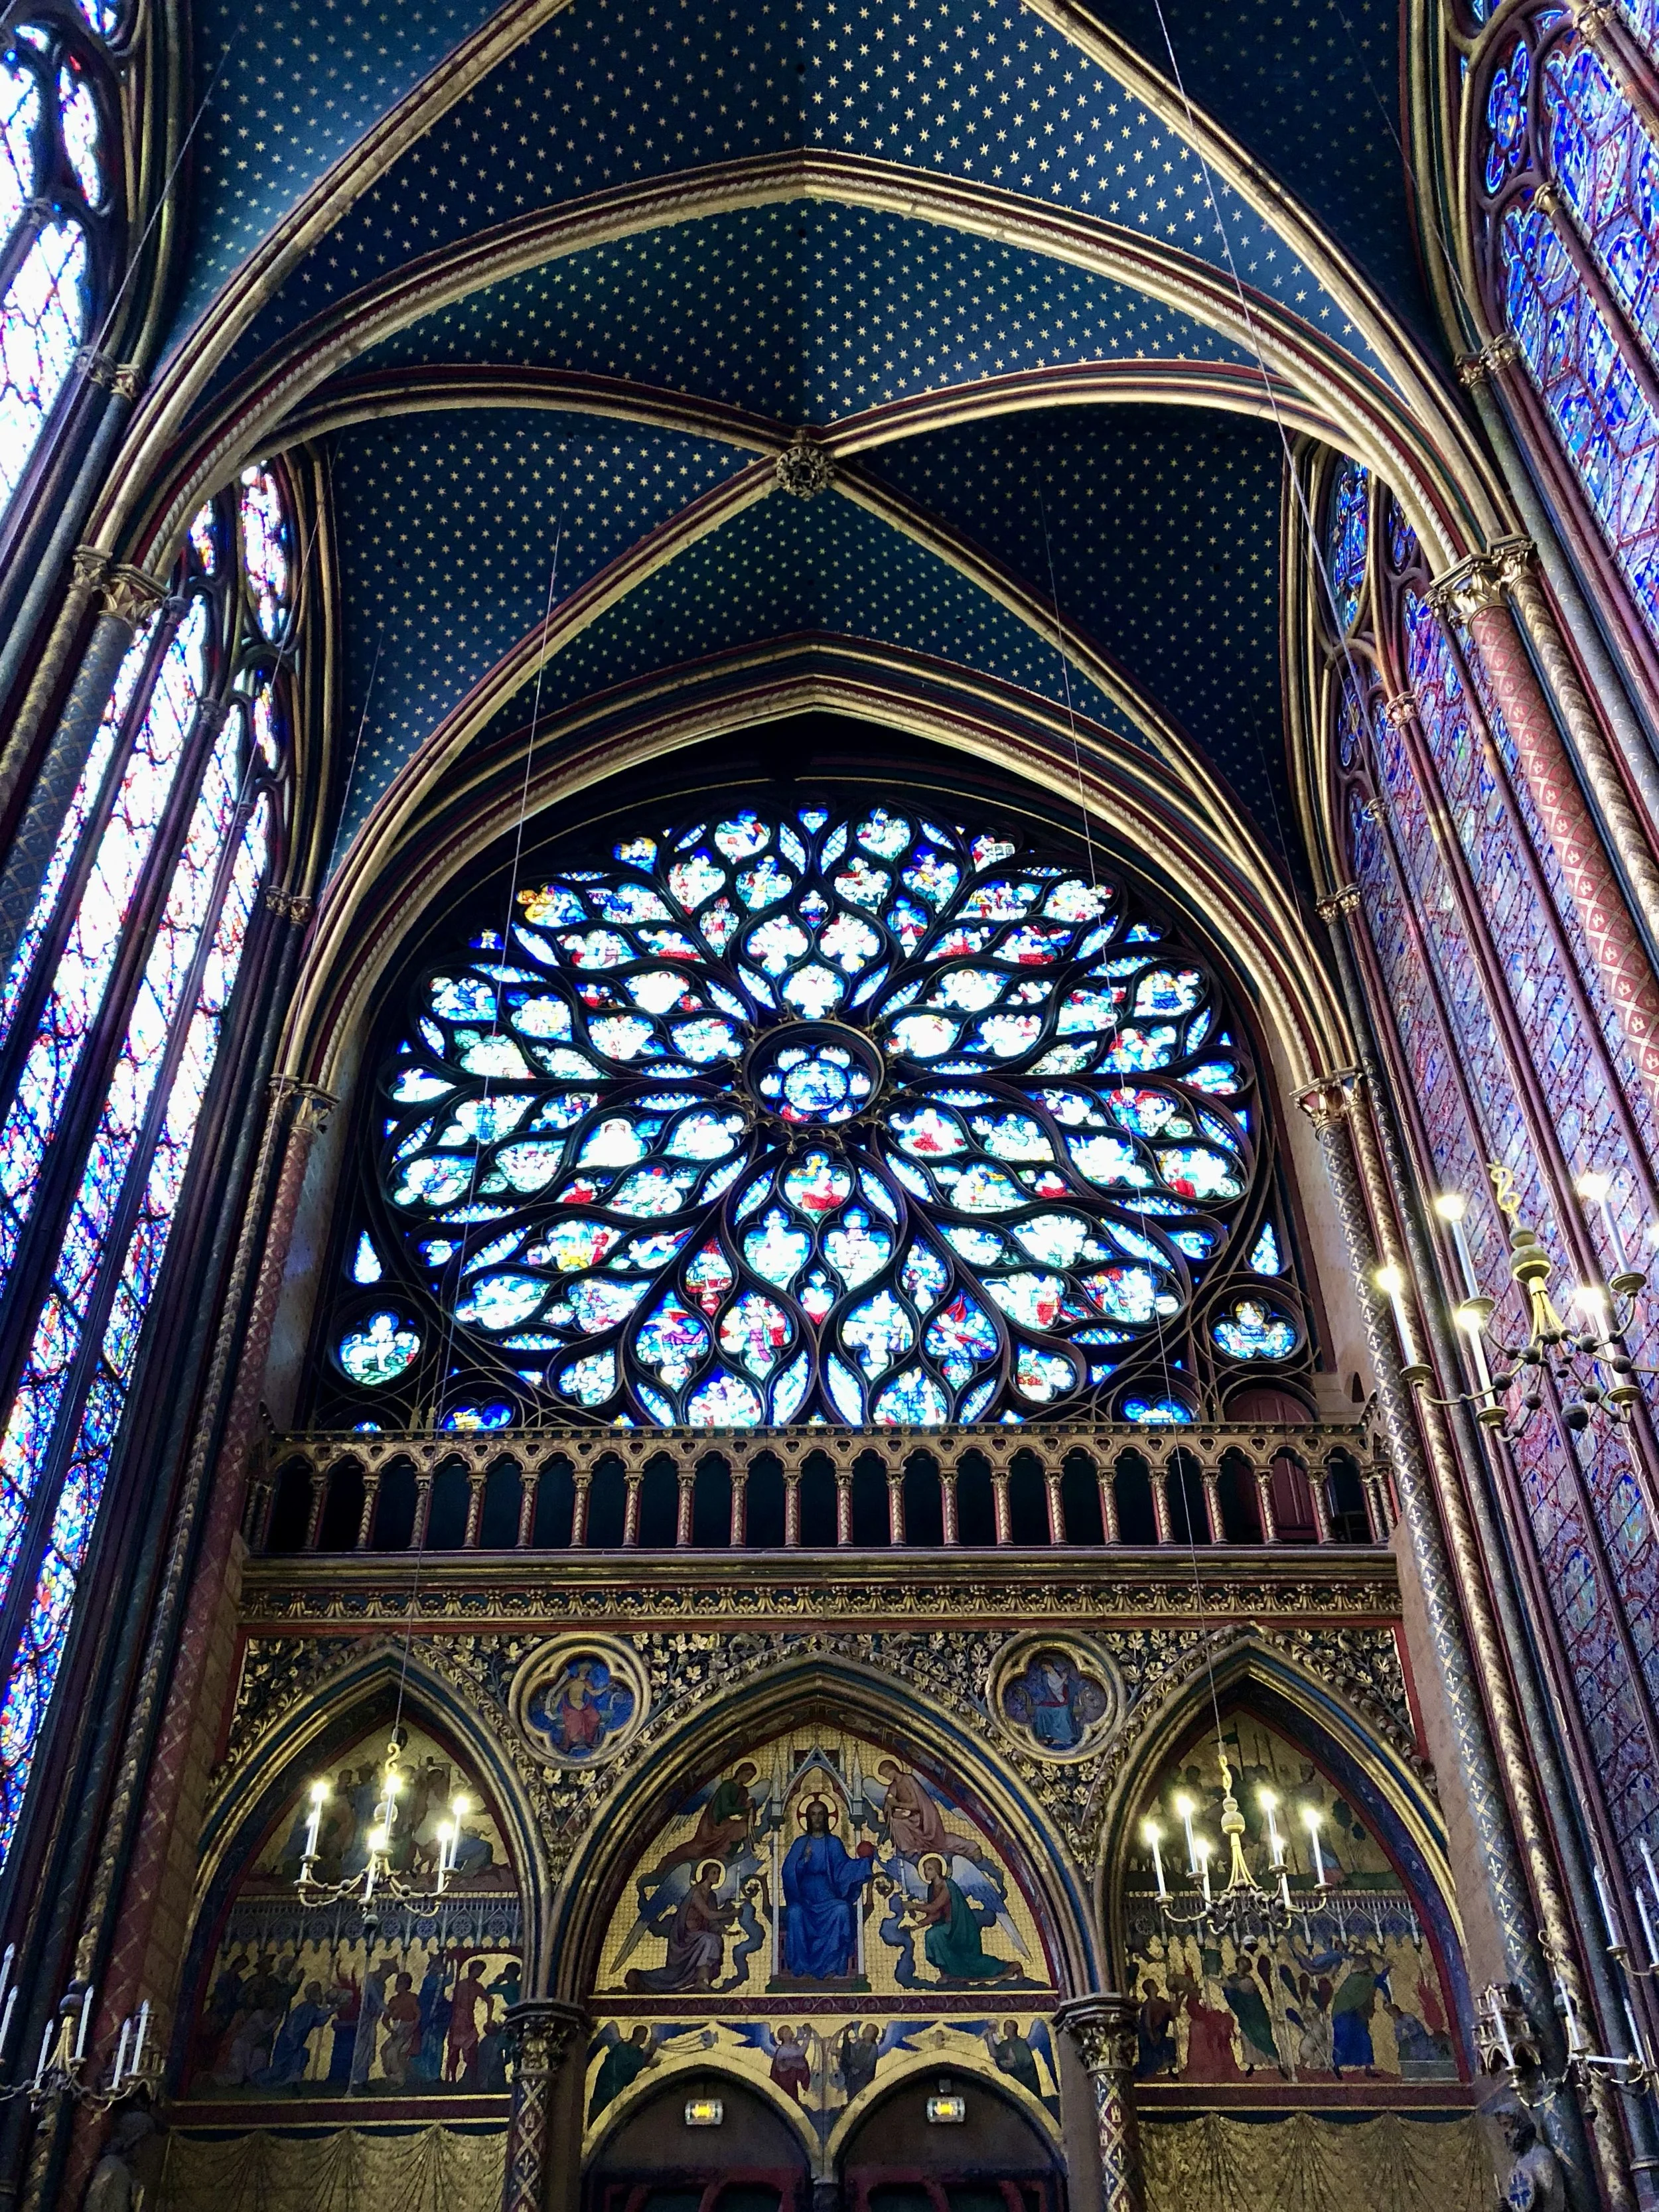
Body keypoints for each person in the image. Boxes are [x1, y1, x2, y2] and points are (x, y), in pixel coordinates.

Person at [781, 1799, 875, 1979]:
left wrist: (865, 1862)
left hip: (827, 1893)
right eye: (813, 1814)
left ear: (826, 1817)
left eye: (821, 1814)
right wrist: (804, 1862)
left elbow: (843, 1869)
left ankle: (837, 1965)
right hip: (805, 1896)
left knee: (842, 1910)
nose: (817, 1818)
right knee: (794, 1913)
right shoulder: (801, 1843)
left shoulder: (834, 1843)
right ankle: (800, 1966)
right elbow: (788, 1872)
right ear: (808, 1818)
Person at [624, 1861, 735, 1992]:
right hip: (685, 1937)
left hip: (699, 1935)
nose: (717, 1876)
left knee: (715, 1939)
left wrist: (725, 1931)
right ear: (706, 1874)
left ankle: (703, 1980)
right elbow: (708, 1914)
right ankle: (640, 1978)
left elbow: (712, 1923)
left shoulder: (712, 1896)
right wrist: (731, 1913)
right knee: (709, 1941)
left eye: (719, 1873)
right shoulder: (696, 1892)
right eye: (714, 1873)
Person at [909, 1855, 1014, 1982]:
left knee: (937, 1938)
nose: (926, 1872)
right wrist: (917, 1925)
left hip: (961, 1928)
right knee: (933, 1935)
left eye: (930, 1869)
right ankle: (949, 1972)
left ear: (937, 1869)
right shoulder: (932, 1888)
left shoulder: (948, 1886)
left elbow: (934, 1907)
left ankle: (1010, 1967)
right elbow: (936, 1914)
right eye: (925, 1869)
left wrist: (914, 1905)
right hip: (948, 1928)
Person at [876, 1761, 977, 1864]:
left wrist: (897, 1804)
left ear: (892, 1769)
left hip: (920, 1819)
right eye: (884, 1776)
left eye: (886, 1774)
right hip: (906, 1818)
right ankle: (910, 1847)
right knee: (895, 1821)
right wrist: (890, 1805)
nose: (887, 1777)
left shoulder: (908, 1780)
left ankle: (971, 1847)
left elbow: (917, 1805)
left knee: (942, 1842)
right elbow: (889, 1805)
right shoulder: (893, 1786)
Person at [588, 2026, 656, 2120]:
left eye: (646, 2035)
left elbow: (638, 2065)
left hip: (618, 2087)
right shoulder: (621, 2048)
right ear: (637, 2035)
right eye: (643, 2035)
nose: (645, 2038)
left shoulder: (638, 2053)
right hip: (607, 2087)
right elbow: (623, 2065)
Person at [445, 1959, 492, 2085]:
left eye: (481, 1971)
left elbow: (489, 2000)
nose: (479, 1973)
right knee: (454, 2050)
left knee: (472, 2050)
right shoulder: (461, 1985)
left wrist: (489, 2019)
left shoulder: (478, 1987)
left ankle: (471, 2079)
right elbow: (454, 2002)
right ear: (472, 1969)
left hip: (468, 2019)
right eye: (478, 1970)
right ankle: (452, 2077)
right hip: (458, 2019)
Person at [379, 1972, 423, 2087]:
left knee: (393, 2051)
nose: (398, 1985)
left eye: (401, 1982)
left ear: (407, 1985)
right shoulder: (394, 2000)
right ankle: (390, 2074)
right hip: (398, 2029)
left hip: (409, 2028)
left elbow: (418, 2015)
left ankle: (399, 2078)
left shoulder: (412, 1998)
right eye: (398, 1982)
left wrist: (411, 2030)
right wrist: (391, 2030)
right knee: (384, 2050)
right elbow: (385, 2019)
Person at [985, 2019, 1042, 2098]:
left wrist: (1014, 2063)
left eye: (1009, 2027)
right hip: (1013, 2081)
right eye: (1005, 2027)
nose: (1005, 2029)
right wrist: (990, 2037)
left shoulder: (1021, 2043)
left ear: (1014, 2029)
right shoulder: (1005, 2044)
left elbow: (1028, 2062)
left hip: (1027, 2080)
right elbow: (995, 2054)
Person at [838, 2022, 882, 2099]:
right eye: (865, 2029)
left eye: (869, 2030)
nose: (865, 2031)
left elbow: (861, 2064)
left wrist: (851, 2062)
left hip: (862, 2081)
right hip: (853, 2079)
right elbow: (847, 2051)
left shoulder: (873, 2049)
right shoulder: (859, 2044)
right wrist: (846, 2034)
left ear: (873, 2035)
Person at [770, 2025, 812, 2101]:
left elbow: (801, 2063)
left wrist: (801, 2035)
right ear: (784, 2036)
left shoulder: (793, 2047)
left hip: (792, 2085)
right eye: (787, 2032)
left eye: (789, 2030)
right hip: (784, 2087)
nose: (791, 2032)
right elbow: (800, 2053)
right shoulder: (782, 2051)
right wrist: (808, 2036)